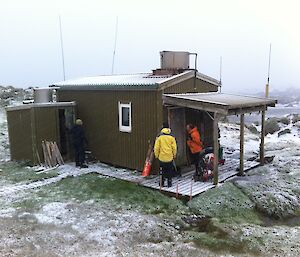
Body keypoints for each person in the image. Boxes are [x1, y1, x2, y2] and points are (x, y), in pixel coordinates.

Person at [154, 122, 177, 187]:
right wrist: (174, 155)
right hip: (169, 157)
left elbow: (156, 147)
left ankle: (162, 183)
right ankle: (169, 183)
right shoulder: (171, 137)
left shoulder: (159, 137)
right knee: (169, 170)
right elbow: (174, 148)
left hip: (162, 157)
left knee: (162, 171)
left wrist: (156, 155)